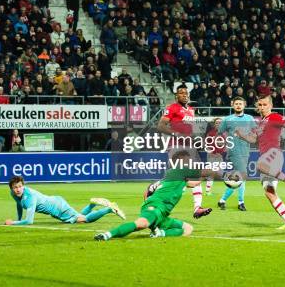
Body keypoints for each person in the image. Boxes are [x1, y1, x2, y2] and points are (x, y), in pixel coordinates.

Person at [94, 149, 229, 241]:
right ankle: (106, 235)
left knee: (188, 229)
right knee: (141, 224)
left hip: (162, 212)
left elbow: (194, 183)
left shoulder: (179, 178)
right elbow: (205, 171)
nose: (190, 162)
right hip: (156, 206)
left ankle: (160, 233)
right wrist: (223, 174)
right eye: (187, 160)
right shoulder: (178, 171)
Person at [235, 94, 285, 229]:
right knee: (269, 192)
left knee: (259, 164)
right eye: (260, 105)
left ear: (270, 106)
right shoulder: (259, 123)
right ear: (257, 107)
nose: (263, 107)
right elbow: (253, 139)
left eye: (265, 105)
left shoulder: (275, 117)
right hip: (266, 158)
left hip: (274, 154)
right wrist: (241, 135)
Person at [157, 85, 211, 219]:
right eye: (181, 93)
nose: (184, 95)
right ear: (176, 96)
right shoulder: (172, 108)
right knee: (178, 178)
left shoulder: (191, 110)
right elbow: (161, 126)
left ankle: (197, 208)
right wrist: (176, 134)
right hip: (177, 147)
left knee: (196, 176)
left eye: (186, 93)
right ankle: (154, 190)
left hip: (190, 147)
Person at [5, 175, 125, 225]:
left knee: (83, 220)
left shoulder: (29, 197)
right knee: (78, 216)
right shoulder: (14, 193)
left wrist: (13, 223)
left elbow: (29, 221)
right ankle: (92, 204)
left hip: (57, 207)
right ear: (11, 188)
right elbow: (19, 204)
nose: (18, 189)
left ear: (23, 185)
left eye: (20, 186)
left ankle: (109, 209)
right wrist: (18, 219)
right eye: (15, 187)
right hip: (56, 202)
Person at [217, 97, 256, 211]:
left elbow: (254, 133)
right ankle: (241, 202)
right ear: (232, 105)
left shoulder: (249, 118)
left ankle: (222, 200)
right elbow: (219, 133)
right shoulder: (227, 119)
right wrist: (225, 143)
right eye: (236, 104)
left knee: (236, 179)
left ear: (244, 105)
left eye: (240, 104)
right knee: (242, 176)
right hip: (234, 151)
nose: (238, 105)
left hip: (245, 151)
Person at [203, 117, 226, 196]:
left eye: (220, 123)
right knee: (212, 173)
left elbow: (225, 145)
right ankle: (208, 191)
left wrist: (223, 150)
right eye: (217, 123)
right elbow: (206, 144)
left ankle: (203, 176)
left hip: (219, 156)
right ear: (214, 124)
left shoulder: (224, 133)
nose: (218, 124)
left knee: (220, 173)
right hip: (212, 156)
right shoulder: (211, 133)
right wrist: (211, 152)